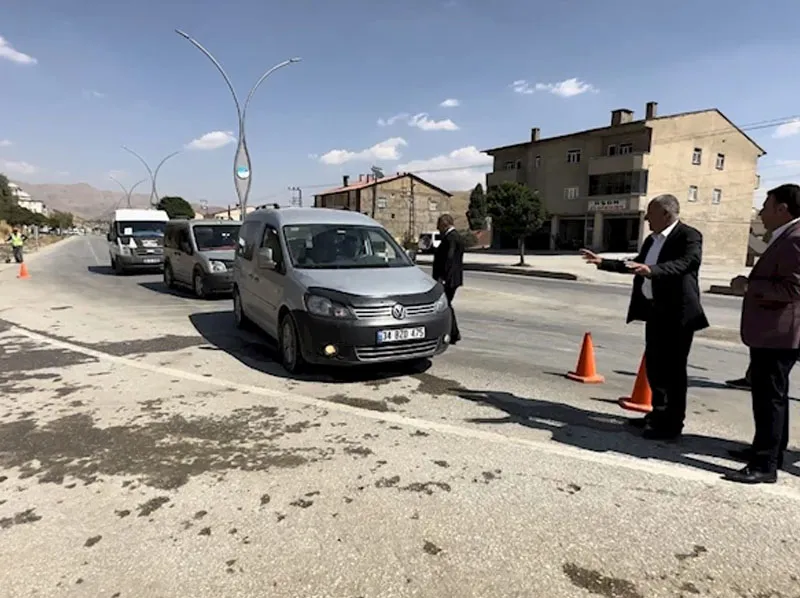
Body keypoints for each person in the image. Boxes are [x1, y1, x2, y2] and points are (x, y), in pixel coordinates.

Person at [580, 194, 709, 440]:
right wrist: (603, 262)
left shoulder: (689, 235)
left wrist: (653, 271)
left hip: (679, 314)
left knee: (673, 371)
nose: (647, 218)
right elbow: (638, 264)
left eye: (651, 214)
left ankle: (671, 425)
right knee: (655, 367)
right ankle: (656, 416)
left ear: (666, 214)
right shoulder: (652, 240)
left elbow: (687, 263)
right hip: (656, 312)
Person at [725, 183, 800, 484]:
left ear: (782, 209)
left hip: (778, 334)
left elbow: (793, 288)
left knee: (769, 397)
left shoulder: (795, 239)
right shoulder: (785, 236)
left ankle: (765, 465)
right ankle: (768, 450)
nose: (761, 212)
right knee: (772, 395)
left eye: (766, 206)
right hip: (774, 332)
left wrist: (748, 287)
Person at [432, 214, 464, 346]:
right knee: (447, 305)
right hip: (453, 278)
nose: (437, 228)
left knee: (446, 305)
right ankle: (454, 333)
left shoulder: (451, 238)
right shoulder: (456, 236)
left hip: (448, 279)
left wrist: (443, 277)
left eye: (439, 225)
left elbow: (449, 259)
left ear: (445, 224)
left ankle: (454, 333)